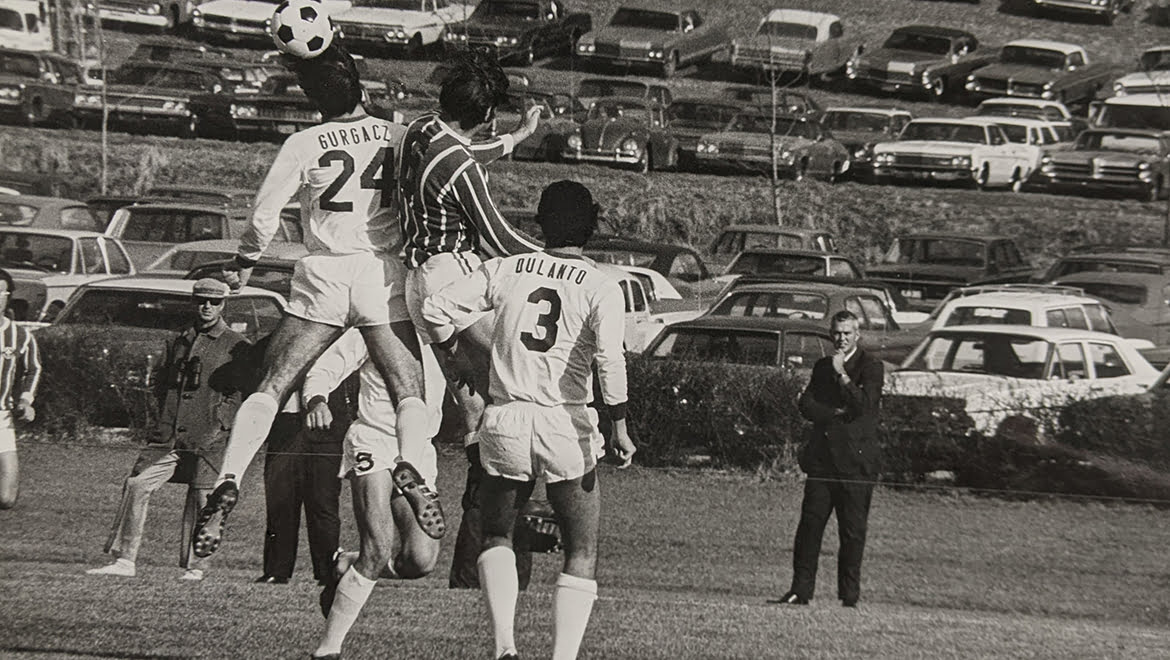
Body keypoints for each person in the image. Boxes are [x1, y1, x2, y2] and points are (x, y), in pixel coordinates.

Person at [191, 44, 452, 559]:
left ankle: (228, 479)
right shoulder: (399, 136)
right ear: (364, 88)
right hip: (382, 272)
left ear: (314, 99)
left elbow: (265, 214)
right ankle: (413, 468)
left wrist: (246, 260)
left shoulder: (304, 142)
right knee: (408, 391)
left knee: (270, 386)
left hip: (324, 272)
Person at [420, 180, 636, 660]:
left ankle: (504, 649)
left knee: (497, 533)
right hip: (565, 422)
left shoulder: (507, 268)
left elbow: (434, 307)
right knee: (581, 550)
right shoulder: (603, 283)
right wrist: (619, 425)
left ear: (540, 224)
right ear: (593, 225)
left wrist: (455, 359)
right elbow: (610, 361)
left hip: (505, 421)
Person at [298, 328, 447, 660]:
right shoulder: (376, 328)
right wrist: (317, 400)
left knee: (420, 561)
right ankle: (327, 649)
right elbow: (324, 369)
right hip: (374, 439)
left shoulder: (445, 329)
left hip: (420, 449)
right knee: (377, 548)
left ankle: (347, 564)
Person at [87, 279, 250, 580]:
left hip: (210, 438)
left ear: (224, 305)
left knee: (203, 498)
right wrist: (162, 416)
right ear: (192, 301)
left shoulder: (236, 345)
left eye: (214, 302)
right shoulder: (180, 339)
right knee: (137, 485)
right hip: (169, 436)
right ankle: (125, 559)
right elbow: (161, 382)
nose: (207, 306)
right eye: (201, 300)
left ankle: (196, 566)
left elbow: (240, 394)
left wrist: (220, 422)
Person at [775, 310, 883, 608]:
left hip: (855, 464)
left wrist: (843, 376)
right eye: (837, 332)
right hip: (823, 463)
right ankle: (800, 590)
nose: (841, 338)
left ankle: (849, 595)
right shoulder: (823, 366)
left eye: (847, 333)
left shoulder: (871, 367)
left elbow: (864, 405)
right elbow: (807, 404)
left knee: (852, 531)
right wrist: (834, 413)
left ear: (857, 335)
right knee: (809, 527)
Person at [255, 362, 355, 585]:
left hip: (327, 431)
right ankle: (276, 570)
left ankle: (327, 570)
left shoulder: (338, 344)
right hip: (284, 428)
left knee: (323, 502)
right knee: (280, 501)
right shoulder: (280, 343)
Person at [0, 268, 39, 510]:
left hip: (1, 418)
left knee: (6, 498)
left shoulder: (19, 336)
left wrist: (25, 400)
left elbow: (32, 369)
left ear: (8, 296)